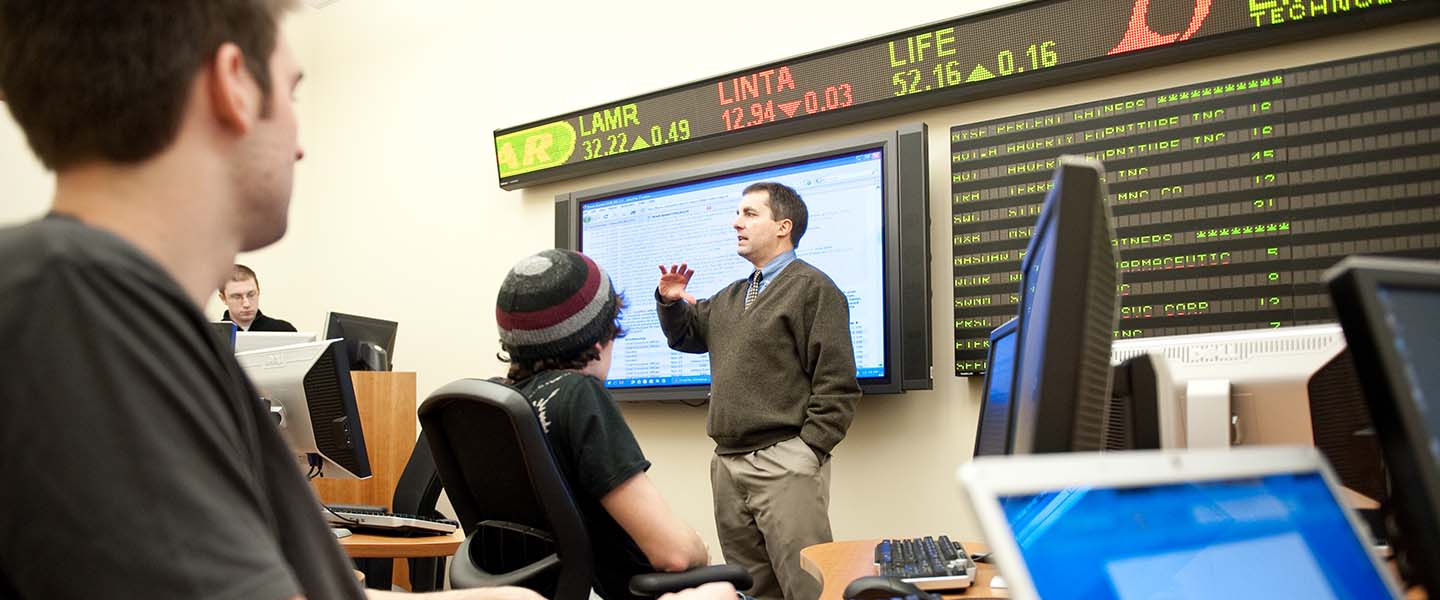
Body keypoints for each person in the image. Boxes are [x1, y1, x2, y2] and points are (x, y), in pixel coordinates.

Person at [0, 2, 537, 598]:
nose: (300, 146)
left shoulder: (91, 306)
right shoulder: (82, 321)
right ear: (233, 84)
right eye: (293, 93)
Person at [656, 182, 861, 600]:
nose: (737, 222)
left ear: (783, 226)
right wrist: (671, 302)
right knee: (751, 590)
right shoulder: (731, 296)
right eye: (738, 213)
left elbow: (838, 383)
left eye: (750, 214)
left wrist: (809, 450)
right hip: (727, 466)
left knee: (809, 588)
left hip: (784, 461)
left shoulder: (813, 289)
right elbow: (686, 336)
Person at [496, 248, 713, 600]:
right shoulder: (579, 394)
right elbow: (674, 555)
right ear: (598, 339)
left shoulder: (509, 402)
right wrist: (699, 548)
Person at [220, 263, 299, 331]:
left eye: (251, 295)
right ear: (223, 299)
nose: (246, 304)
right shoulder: (212, 337)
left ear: (258, 292)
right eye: (237, 297)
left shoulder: (284, 331)